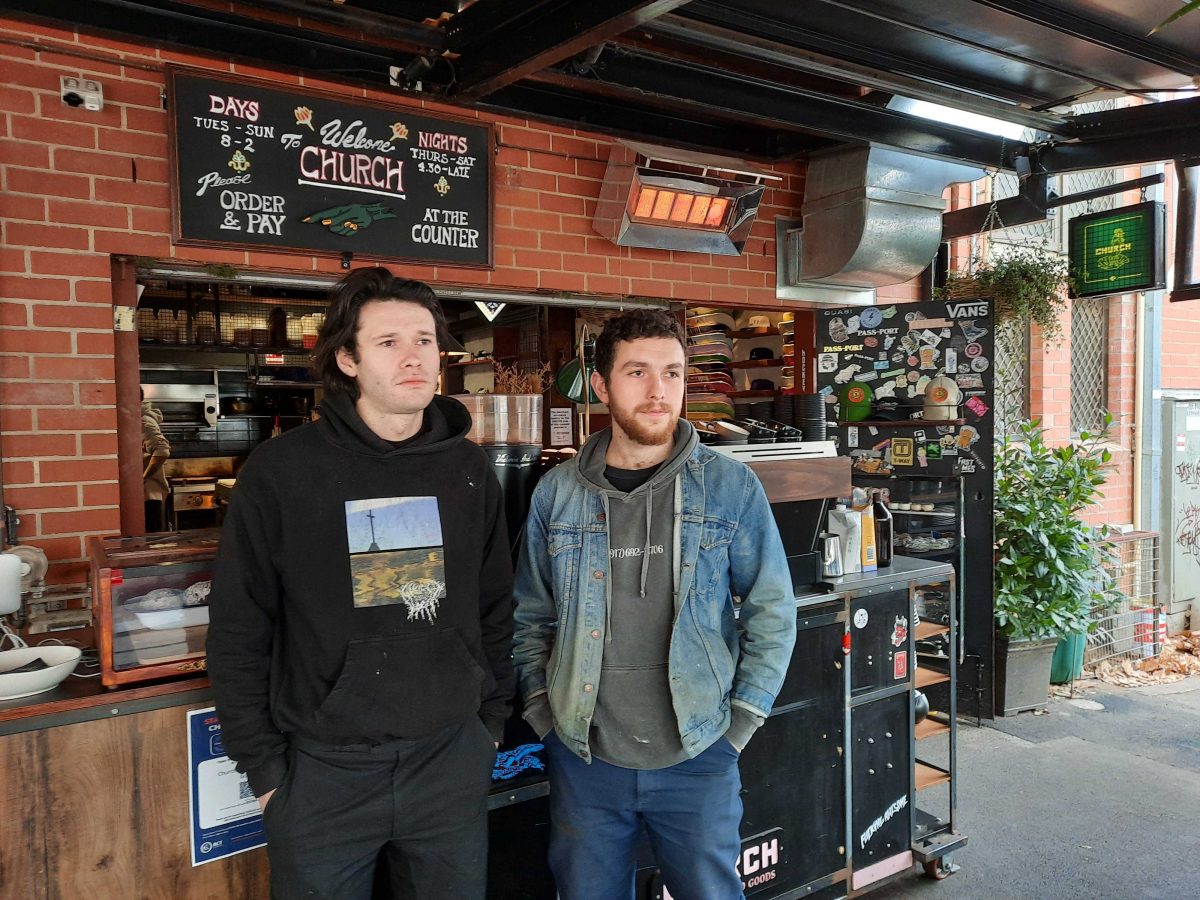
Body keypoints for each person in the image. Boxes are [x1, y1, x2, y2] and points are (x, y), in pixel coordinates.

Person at [207, 267, 514, 900]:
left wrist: (488, 723)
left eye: (425, 340)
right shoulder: (281, 473)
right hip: (323, 775)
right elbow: (239, 629)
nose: (413, 358)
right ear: (346, 359)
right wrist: (266, 772)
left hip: (449, 761)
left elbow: (494, 605)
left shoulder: (467, 467)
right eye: (389, 342)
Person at [512, 309, 797, 900]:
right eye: (637, 372)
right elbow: (529, 617)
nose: (657, 390)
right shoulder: (557, 494)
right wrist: (544, 714)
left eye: (672, 372)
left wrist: (739, 723)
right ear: (602, 386)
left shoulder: (729, 486)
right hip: (585, 754)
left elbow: (773, 609)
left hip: (698, 752)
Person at [141, 389, 172, 532]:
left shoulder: (143, 421)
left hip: (149, 495)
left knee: (152, 542)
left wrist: (143, 478)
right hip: (147, 494)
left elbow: (162, 450)